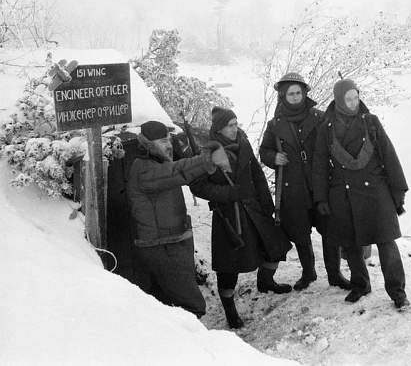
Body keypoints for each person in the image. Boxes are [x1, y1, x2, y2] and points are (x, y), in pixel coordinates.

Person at [190, 107, 292, 329]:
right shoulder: (208, 153)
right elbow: (197, 185)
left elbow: (256, 173)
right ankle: (229, 310)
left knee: (275, 245)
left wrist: (267, 203)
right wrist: (227, 194)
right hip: (229, 215)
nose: (235, 128)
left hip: (254, 209)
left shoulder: (244, 143)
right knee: (230, 265)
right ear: (219, 129)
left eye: (236, 123)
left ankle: (266, 282)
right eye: (230, 125)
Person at [312, 78, 410, 309]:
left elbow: (389, 156)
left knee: (386, 243)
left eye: (356, 97)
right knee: (351, 244)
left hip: (376, 192)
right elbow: (319, 166)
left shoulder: (371, 122)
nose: (354, 102)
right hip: (342, 193)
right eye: (348, 98)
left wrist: (398, 191)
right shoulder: (326, 128)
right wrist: (321, 198)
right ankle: (361, 284)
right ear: (338, 100)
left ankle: (398, 293)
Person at [127, 120, 229, 318]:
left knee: (163, 304)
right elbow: (178, 171)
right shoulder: (144, 170)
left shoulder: (158, 163)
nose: (168, 145)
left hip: (171, 242)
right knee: (193, 306)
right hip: (163, 246)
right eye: (161, 141)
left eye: (168, 140)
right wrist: (206, 159)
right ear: (147, 145)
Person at [259, 72, 350, 291]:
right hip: (292, 188)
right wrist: (274, 158)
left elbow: (336, 145)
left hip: (321, 186)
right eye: (290, 93)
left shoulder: (319, 118)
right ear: (283, 95)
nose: (295, 96)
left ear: (305, 93)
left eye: (298, 92)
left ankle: (335, 274)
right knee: (300, 233)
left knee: (330, 231)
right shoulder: (275, 124)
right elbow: (264, 151)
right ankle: (308, 273)